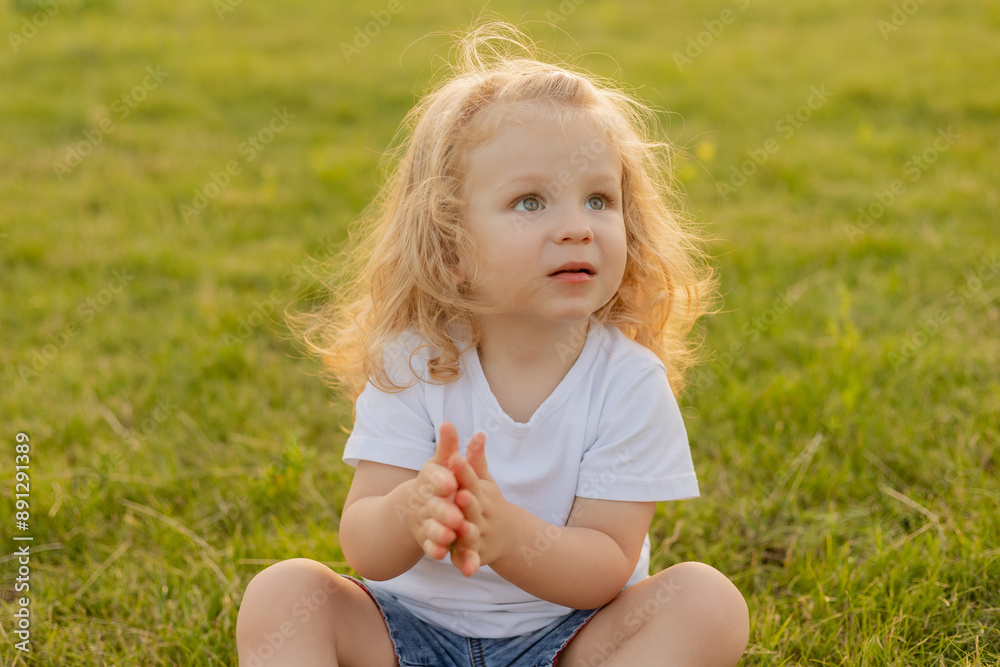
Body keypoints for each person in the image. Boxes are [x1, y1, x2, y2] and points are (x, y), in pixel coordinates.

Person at [237, 19, 749, 667]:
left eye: (598, 200)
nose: (575, 228)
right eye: (530, 202)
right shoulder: (415, 358)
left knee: (706, 602)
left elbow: (605, 565)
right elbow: (364, 543)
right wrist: (410, 511)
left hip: (567, 638)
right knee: (282, 592)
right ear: (451, 247)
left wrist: (508, 536)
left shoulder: (627, 381)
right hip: (404, 632)